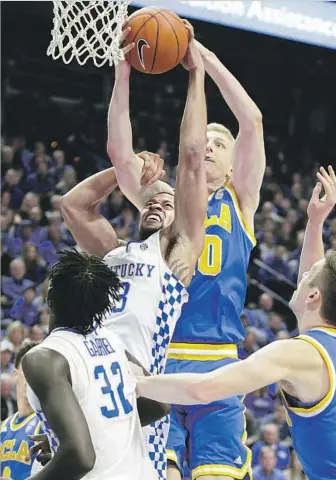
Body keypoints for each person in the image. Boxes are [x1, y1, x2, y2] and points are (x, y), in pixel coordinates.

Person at [60, 23, 208, 480]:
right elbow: (74, 204)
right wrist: (123, 73)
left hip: (140, 389)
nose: (161, 203)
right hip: (91, 376)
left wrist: (196, 76)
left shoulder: (179, 253)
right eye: (152, 200)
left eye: (169, 201)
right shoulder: (113, 251)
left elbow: (190, 157)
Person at [137, 166, 336, 480]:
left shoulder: (297, 354)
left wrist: (134, 382)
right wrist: (315, 222)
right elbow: (316, 281)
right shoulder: (333, 343)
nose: (299, 279)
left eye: (305, 280)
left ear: (314, 295)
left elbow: (204, 390)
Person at [21, 248, 167, 480]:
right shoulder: (113, 342)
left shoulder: (44, 358)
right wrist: (69, 440)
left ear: (49, 296)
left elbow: (80, 458)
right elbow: (159, 404)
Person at [1, 342, 44, 480]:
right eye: (27, 370)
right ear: (15, 374)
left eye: (37, 371)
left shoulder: (47, 423)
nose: (32, 377)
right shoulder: (4, 426)